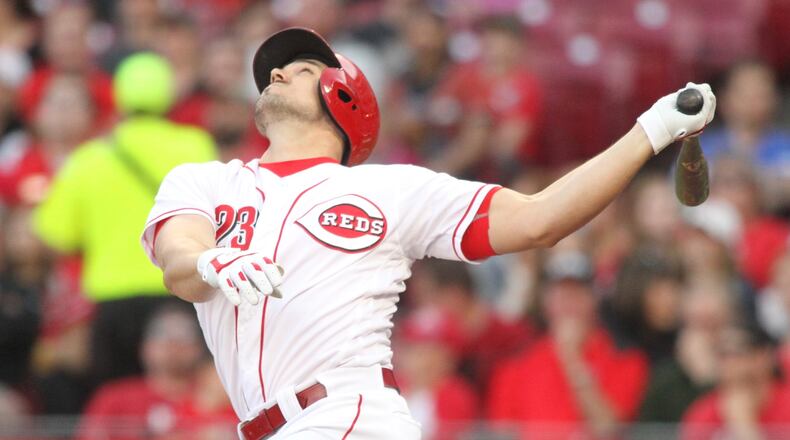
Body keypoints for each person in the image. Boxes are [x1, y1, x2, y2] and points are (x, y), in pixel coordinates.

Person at [142, 27, 715, 439]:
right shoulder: (205, 180)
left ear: (343, 96)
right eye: (277, 68)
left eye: (303, 67)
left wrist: (653, 128)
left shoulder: (393, 189)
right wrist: (212, 262)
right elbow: (178, 263)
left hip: (349, 415)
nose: (277, 71)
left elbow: (540, 219)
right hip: (267, 425)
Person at [34, 53, 215, 385]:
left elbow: (56, 234)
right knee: (178, 397)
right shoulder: (197, 146)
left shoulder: (90, 157)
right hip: (180, 291)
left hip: (111, 302)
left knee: (118, 399)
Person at [486, 251, 649, 438]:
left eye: (578, 293)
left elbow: (610, 429)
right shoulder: (517, 363)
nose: (569, 302)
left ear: (594, 299)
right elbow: (501, 433)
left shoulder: (625, 358)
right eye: (561, 293)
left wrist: (572, 359)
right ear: (546, 300)